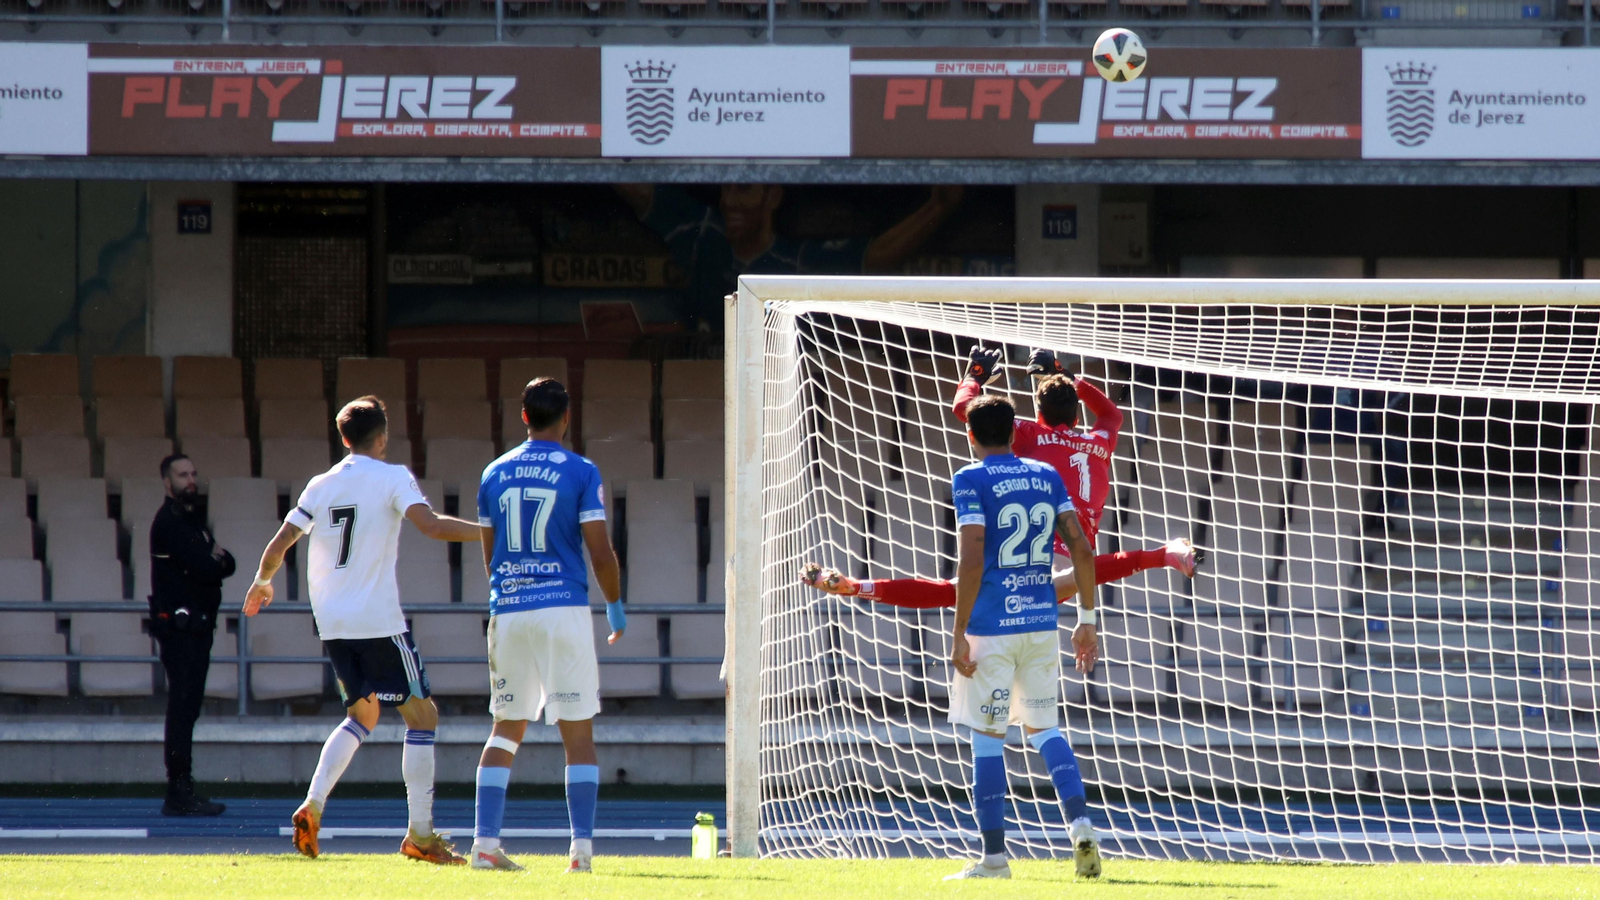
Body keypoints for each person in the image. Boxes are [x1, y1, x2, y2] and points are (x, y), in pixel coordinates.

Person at [242, 396, 485, 865]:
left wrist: (262, 582)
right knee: (422, 717)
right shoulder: (393, 477)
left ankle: (313, 804)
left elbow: (281, 542)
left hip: (332, 623)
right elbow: (431, 528)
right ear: (384, 436)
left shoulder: (320, 484)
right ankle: (420, 835)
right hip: (377, 621)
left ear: (344, 438)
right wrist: (489, 532)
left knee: (363, 716)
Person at [801, 346, 1199, 606]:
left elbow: (965, 409)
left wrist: (974, 374)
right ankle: (1165, 554)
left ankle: (859, 587)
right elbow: (1113, 413)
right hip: (1066, 558)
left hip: (1027, 550)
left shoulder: (1031, 434)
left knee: (959, 591)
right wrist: (1068, 376)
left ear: (1039, 413)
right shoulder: (1100, 438)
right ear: (1077, 414)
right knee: (1076, 575)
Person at [943, 395, 1103, 881]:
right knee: (1045, 730)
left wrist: (958, 633)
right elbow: (1080, 545)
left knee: (988, 739)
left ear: (971, 436)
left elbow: (971, 560)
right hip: (1038, 623)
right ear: (1015, 432)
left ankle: (994, 860)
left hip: (992, 627)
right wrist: (1088, 617)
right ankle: (1080, 824)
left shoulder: (969, 479)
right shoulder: (1044, 475)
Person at [469, 377, 625, 874]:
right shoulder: (580, 470)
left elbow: (490, 556)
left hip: (509, 609)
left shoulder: (493, 472)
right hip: (562, 610)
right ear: (566, 417)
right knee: (577, 735)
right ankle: (579, 853)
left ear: (523, 416)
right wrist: (616, 607)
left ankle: (485, 846)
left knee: (505, 730)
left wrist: (505, 598)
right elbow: (599, 551)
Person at [613, 184, 964, 330]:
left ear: (773, 198)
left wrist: (939, 207)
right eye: (726, 190)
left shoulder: (795, 263)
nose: (730, 201)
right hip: (702, 381)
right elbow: (641, 193)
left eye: (745, 190)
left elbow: (875, 258)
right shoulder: (703, 233)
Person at [148, 453, 232, 817]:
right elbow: (208, 566)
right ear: (168, 482)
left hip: (198, 628)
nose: (191, 480)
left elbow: (225, 562)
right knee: (182, 708)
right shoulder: (169, 522)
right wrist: (216, 561)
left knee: (189, 708)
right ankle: (178, 790)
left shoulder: (192, 520)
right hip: (180, 630)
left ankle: (182, 787)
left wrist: (218, 561)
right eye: (183, 475)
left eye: (194, 473)